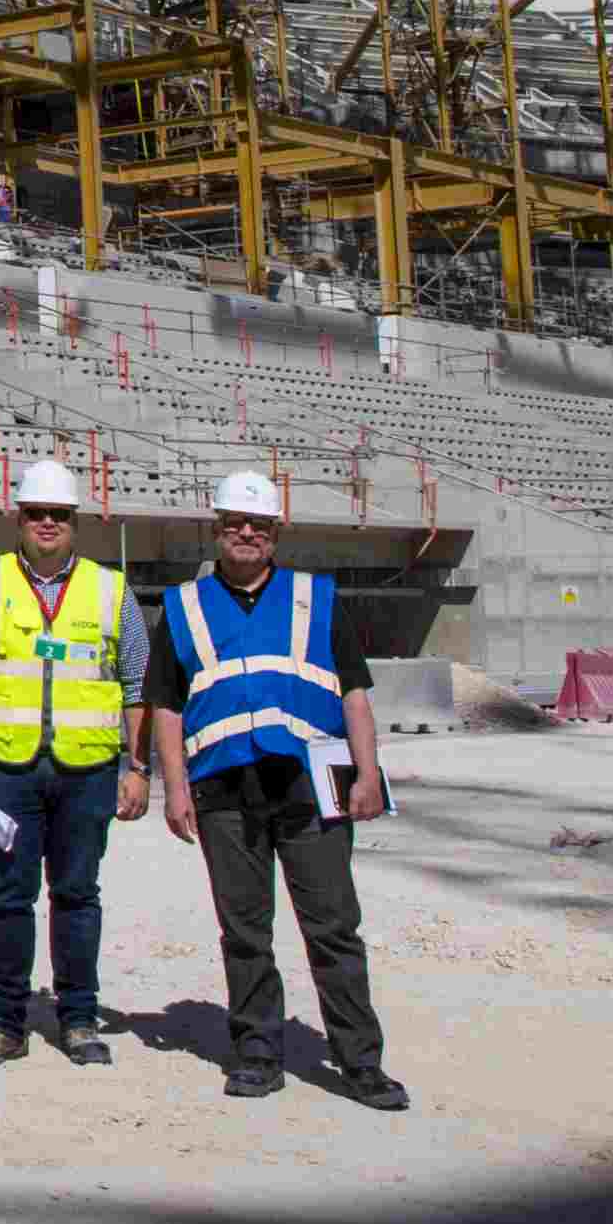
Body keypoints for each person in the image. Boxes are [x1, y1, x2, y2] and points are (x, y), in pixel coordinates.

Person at [151, 470, 408, 1112]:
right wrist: (172, 789)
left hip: (313, 778)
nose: (246, 533)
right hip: (222, 783)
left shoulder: (315, 596)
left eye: (258, 525)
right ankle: (258, 1053)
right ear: (217, 529)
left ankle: (360, 1061)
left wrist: (370, 774)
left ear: (274, 534)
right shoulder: (182, 606)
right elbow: (165, 706)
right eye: (236, 523)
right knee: (245, 930)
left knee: (334, 927)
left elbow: (353, 691)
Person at [0, 458, 148, 1067]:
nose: (47, 524)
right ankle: (4, 1022)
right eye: (36, 513)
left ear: (74, 522)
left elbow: (136, 685)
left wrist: (136, 768)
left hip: (85, 772)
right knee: (6, 896)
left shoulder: (112, 589)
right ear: (19, 519)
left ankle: (79, 1018)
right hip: (4, 768)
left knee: (77, 895)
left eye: (58, 514)